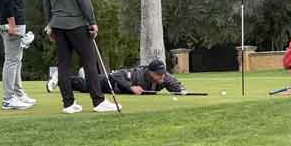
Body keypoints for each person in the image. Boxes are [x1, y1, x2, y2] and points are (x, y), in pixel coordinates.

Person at [41, 0, 120, 114]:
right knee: (89, 62)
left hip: (57, 24)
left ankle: (68, 104)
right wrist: (92, 21)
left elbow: (46, 2)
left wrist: (49, 25)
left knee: (63, 64)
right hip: (76, 23)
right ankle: (98, 101)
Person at [46, 58, 186, 96]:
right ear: (151, 72)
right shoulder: (138, 75)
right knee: (84, 86)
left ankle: (82, 76)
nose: (162, 77)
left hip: (116, 88)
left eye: (163, 73)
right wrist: (131, 87)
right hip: (108, 84)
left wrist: (180, 90)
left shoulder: (163, 77)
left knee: (86, 81)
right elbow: (116, 75)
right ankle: (59, 78)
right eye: (159, 74)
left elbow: (173, 83)